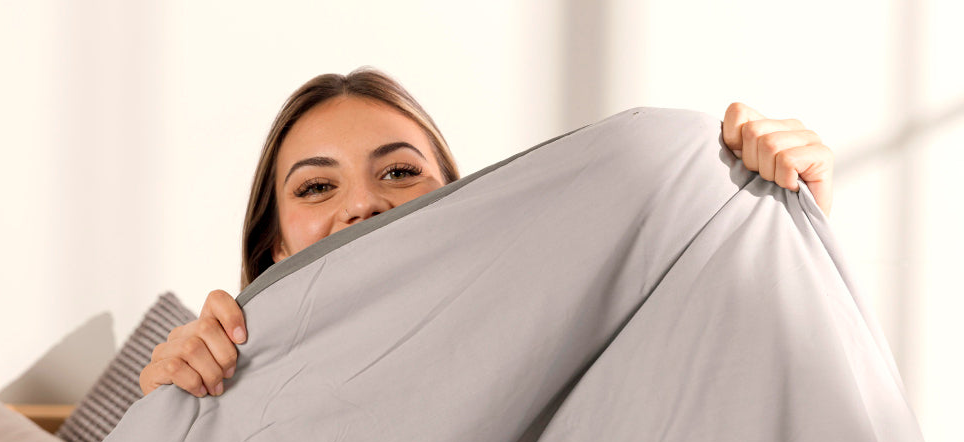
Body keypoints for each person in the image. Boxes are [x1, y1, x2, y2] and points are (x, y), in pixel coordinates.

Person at [139, 68, 835, 399]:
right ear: (275, 249)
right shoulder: (218, 395)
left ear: (459, 205)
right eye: (318, 186)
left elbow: (727, 388)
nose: (364, 205)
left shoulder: (557, 351)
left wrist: (786, 227)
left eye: (402, 173)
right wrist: (162, 419)